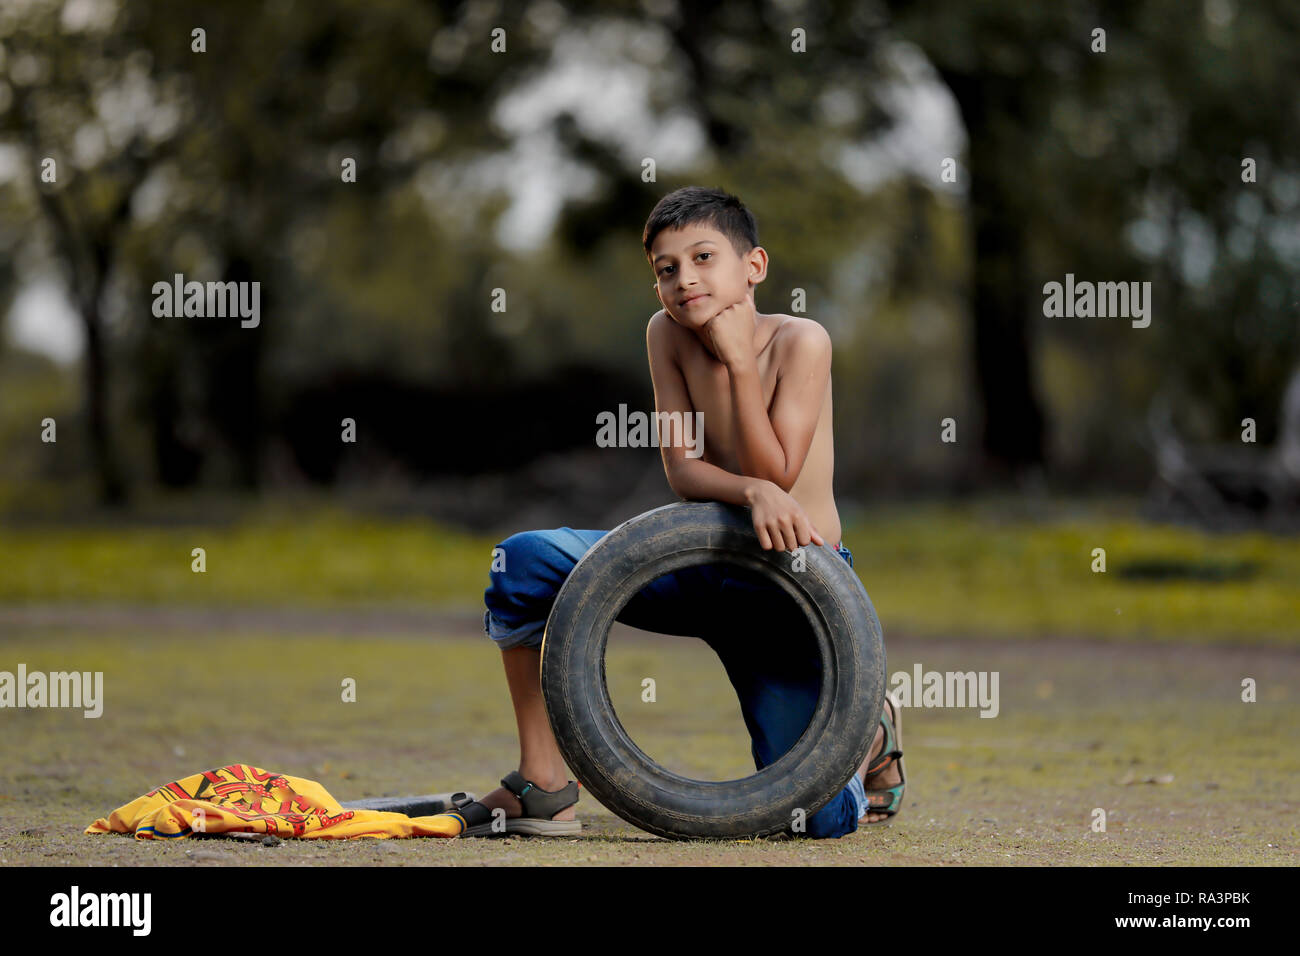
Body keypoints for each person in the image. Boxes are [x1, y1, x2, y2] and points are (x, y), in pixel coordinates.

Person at [450, 186, 904, 839]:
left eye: (702, 258)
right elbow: (684, 470)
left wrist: (741, 362)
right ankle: (544, 782)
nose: (684, 278)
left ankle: (869, 733)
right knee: (522, 562)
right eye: (667, 269)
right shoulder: (666, 332)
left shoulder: (804, 341)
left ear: (754, 267)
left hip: (793, 591)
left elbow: (775, 468)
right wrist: (747, 493)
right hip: (698, 560)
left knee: (815, 819)